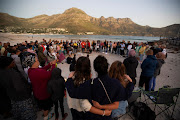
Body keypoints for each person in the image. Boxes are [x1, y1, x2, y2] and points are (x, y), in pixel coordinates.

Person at [66, 55, 128, 120]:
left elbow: (73, 93)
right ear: (107, 66)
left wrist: (69, 80)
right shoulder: (116, 83)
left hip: (94, 115)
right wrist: (131, 83)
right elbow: (118, 103)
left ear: (95, 69)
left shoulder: (91, 84)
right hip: (107, 115)